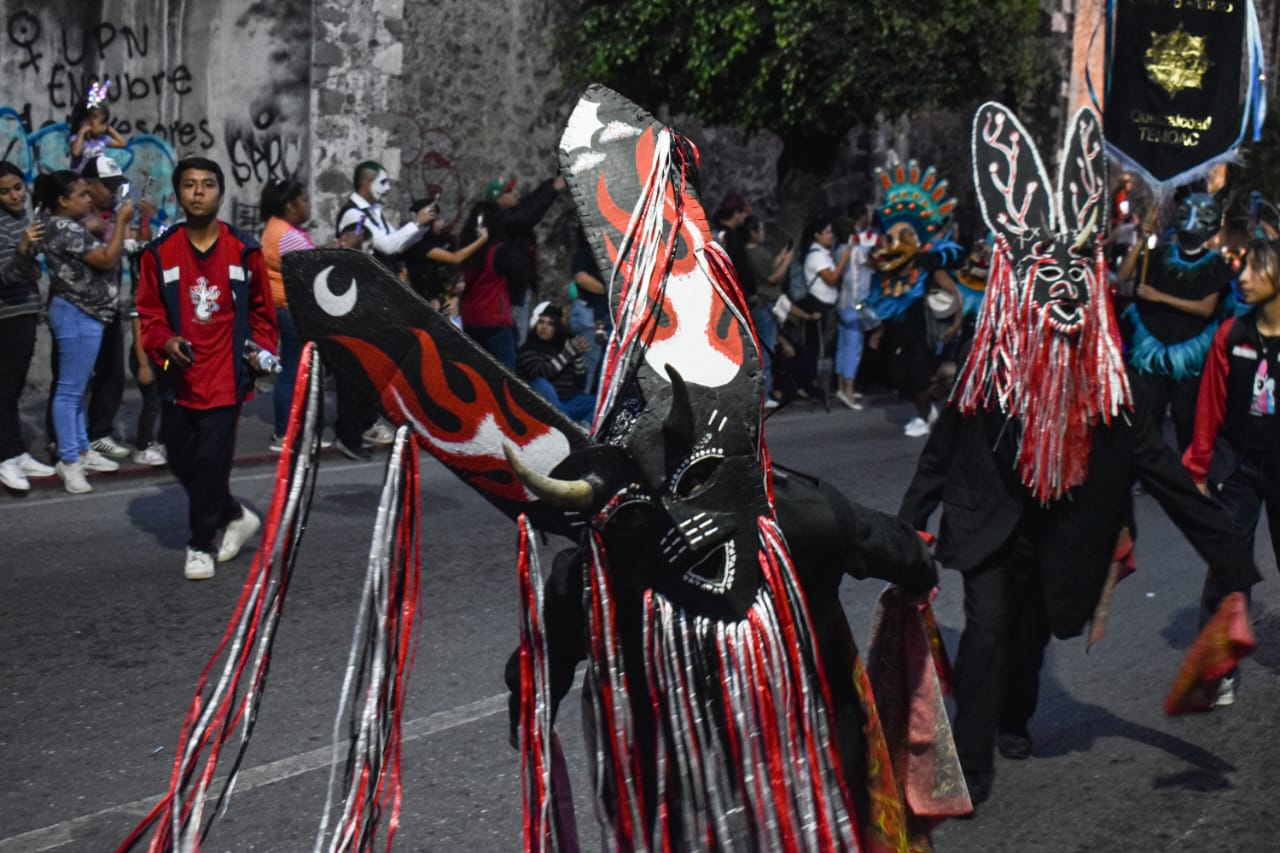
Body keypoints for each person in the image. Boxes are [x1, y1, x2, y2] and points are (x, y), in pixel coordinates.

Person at [900, 102, 1258, 808]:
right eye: (1046, 271)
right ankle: (970, 762)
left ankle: (1012, 716)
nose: (1062, 286)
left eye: (1075, 272)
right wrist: (907, 524)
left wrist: (1231, 558)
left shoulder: (1103, 382)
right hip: (988, 519)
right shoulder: (994, 358)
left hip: (1058, 527)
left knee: (1029, 634)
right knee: (989, 629)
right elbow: (946, 441)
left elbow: (1160, 469)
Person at [135, 157, 278, 580]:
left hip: (225, 379)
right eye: (190, 185)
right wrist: (165, 342)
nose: (198, 191)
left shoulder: (244, 249)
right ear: (179, 193)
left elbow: (262, 313)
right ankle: (234, 514)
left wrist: (262, 351)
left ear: (220, 193)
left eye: (208, 184)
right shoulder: (159, 254)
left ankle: (200, 544)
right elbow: (150, 314)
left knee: (212, 461)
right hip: (180, 379)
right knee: (182, 460)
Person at [1183, 237, 1280, 706]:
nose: (1242, 277)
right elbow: (1210, 408)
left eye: (1255, 268)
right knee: (1226, 564)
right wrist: (1199, 468)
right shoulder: (1232, 334)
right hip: (1238, 467)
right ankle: (1216, 667)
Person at [36, 170, 134, 494]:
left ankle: (80, 449)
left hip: (86, 313)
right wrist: (120, 222)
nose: (89, 199)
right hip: (77, 312)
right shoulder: (64, 227)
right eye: (81, 195)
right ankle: (69, 461)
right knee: (69, 391)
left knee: (78, 389)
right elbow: (106, 259)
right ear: (62, 201)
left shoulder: (64, 224)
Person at [1116, 190, 1230, 452]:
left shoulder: (1215, 265)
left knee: (1185, 416)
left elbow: (1206, 309)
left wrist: (1159, 297)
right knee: (1150, 412)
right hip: (1152, 349)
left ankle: (1187, 473)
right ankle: (1149, 470)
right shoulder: (1159, 255)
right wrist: (1142, 239)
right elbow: (1123, 275)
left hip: (1189, 354)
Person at [333, 161, 429, 457]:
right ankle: (349, 435)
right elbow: (386, 246)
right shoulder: (354, 215)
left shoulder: (372, 214)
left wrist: (420, 226)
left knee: (373, 366)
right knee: (354, 370)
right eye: (383, 183)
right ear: (367, 183)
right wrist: (416, 223)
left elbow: (395, 245)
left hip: (375, 300)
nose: (387, 189)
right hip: (357, 302)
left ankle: (364, 423)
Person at [0, 161, 56, 491]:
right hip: (6, 315)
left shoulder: (25, 217)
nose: (13, 196)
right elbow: (4, 276)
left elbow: (23, 268)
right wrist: (23, 249)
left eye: (17, 188)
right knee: (4, 390)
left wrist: (31, 260)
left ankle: (16, 450)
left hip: (25, 311)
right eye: (4, 191)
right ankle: (4, 458)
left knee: (14, 389)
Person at [260, 178, 320, 450]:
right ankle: (285, 433)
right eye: (304, 199)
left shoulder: (274, 228)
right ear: (290, 205)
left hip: (281, 305)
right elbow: (316, 269)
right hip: (291, 307)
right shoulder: (290, 236)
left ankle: (290, 430)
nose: (308, 205)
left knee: (291, 368)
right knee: (293, 370)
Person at [486, 174, 566, 345]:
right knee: (514, 342)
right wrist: (552, 189)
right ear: (499, 198)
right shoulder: (501, 219)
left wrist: (550, 184)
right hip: (510, 293)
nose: (516, 194)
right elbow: (528, 215)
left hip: (520, 290)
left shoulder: (509, 214)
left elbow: (528, 203)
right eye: (510, 192)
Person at [458, 201, 519, 369]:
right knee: (507, 375)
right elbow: (518, 276)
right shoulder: (498, 251)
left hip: (470, 319)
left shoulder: (466, 250)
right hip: (494, 319)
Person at [401, 196, 489, 312]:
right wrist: (481, 240)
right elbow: (456, 258)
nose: (441, 224)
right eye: (436, 220)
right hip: (417, 301)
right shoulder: (419, 244)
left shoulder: (439, 240)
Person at [742, 215, 794, 408]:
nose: (763, 234)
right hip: (765, 304)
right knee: (766, 351)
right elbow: (772, 277)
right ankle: (765, 395)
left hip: (759, 304)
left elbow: (768, 269)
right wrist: (787, 261)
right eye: (760, 230)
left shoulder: (749, 253)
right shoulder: (757, 252)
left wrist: (779, 258)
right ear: (753, 233)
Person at [515, 300, 595, 424]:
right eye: (541, 322)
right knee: (541, 383)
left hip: (567, 402)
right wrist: (568, 353)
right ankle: (566, 423)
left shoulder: (563, 347)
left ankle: (583, 428)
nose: (544, 327)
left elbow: (580, 385)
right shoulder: (528, 348)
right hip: (541, 403)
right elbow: (540, 373)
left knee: (598, 403)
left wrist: (577, 357)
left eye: (550, 324)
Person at [833, 209, 877, 410]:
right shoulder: (856, 251)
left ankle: (841, 386)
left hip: (842, 302)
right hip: (855, 302)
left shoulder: (838, 249)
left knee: (843, 346)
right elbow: (871, 265)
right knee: (853, 348)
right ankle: (849, 391)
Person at [68, 82, 126, 173]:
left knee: (114, 171)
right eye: (102, 123)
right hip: (82, 178)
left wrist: (108, 128)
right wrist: (81, 133)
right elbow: (76, 152)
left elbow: (122, 143)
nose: (104, 127)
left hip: (99, 177)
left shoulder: (102, 139)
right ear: (86, 122)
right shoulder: (77, 139)